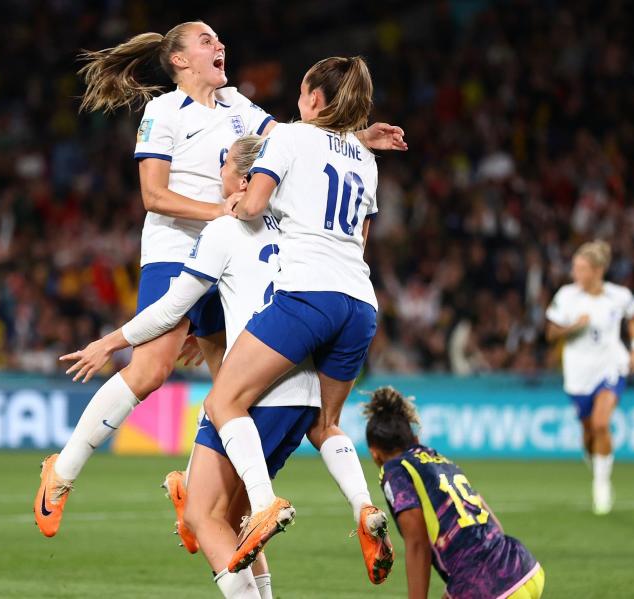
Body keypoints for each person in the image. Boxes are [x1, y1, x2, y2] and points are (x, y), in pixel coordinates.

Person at [34, 22, 405, 537]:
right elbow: (153, 196)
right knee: (152, 369)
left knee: (229, 380)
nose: (220, 46)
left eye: (219, 40)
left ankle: (194, 485)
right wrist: (221, 212)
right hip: (177, 247)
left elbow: (301, 139)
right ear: (180, 60)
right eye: (206, 41)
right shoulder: (162, 112)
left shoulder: (238, 106)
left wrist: (358, 138)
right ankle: (63, 471)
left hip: (229, 252)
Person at [61, 135, 392, 596]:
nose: (217, 178)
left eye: (223, 168)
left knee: (204, 515)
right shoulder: (301, 230)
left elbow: (168, 310)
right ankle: (343, 505)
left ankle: (248, 501)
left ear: (244, 178)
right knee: (232, 516)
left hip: (254, 392)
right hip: (303, 398)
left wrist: (110, 343)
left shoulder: (223, 229)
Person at [198, 55, 390, 576]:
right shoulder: (366, 159)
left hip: (309, 294)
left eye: (303, 91)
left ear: (315, 99)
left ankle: (263, 503)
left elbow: (254, 205)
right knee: (325, 423)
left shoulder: (288, 136)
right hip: (360, 302)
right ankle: (363, 507)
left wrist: (232, 208)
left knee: (223, 399)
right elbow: (361, 239)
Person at [365, 386, 545, 599]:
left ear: (375, 454)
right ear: (414, 440)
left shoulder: (395, 470)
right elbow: (495, 524)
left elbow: (417, 543)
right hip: (522, 566)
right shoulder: (441, 461)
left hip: (489, 586)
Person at [545, 240, 634, 515]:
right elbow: (551, 333)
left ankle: (602, 484)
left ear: (598, 270)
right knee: (589, 432)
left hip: (611, 366)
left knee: (602, 424)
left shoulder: (619, 296)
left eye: (581, 268)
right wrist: (573, 327)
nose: (575, 272)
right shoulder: (566, 296)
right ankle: (595, 460)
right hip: (578, 374)